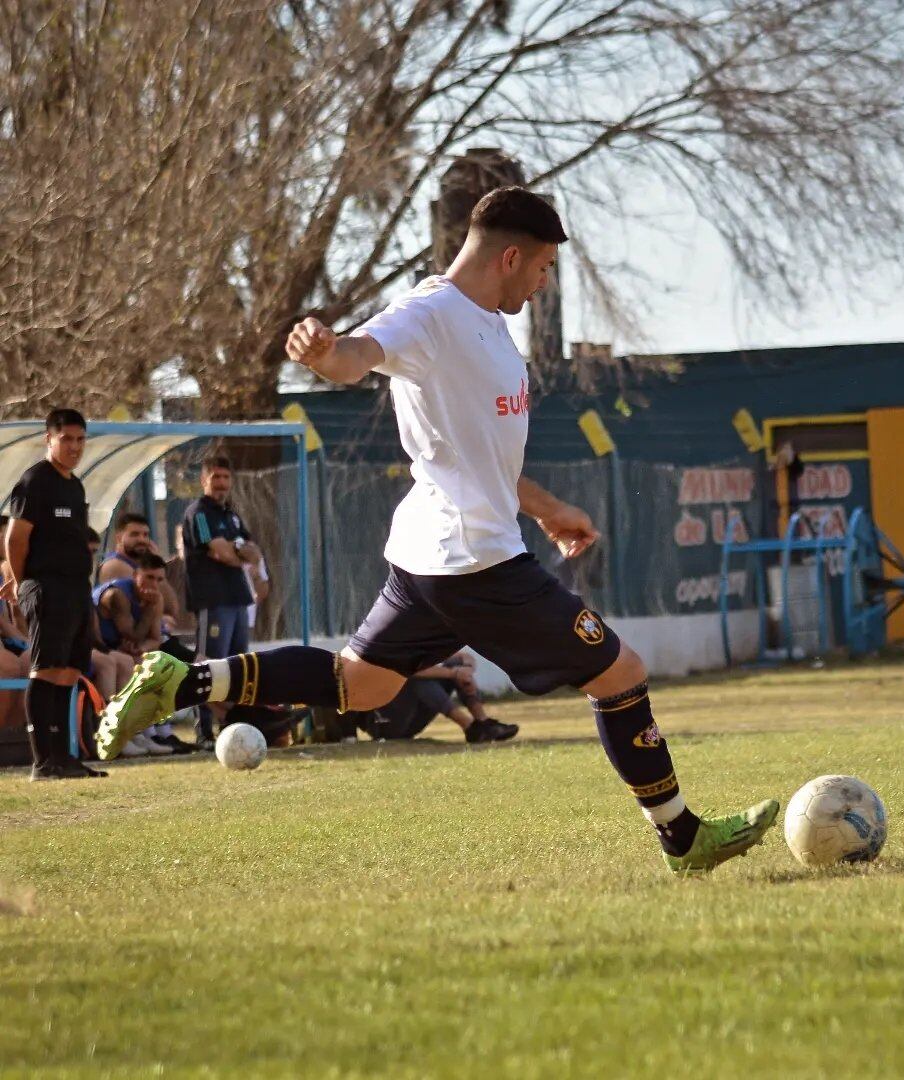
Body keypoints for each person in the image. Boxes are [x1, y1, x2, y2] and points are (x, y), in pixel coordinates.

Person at [97, 187, 777, 871]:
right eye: (541, 269)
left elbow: (478, 454)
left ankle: (181, 680)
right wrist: (322, 352)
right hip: (475, 561)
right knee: (621, 674)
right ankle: (683, 838)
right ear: (510, 257)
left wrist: (544, 508)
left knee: (361, 684)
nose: (543, 285)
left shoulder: (487, 321)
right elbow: (357, 355)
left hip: (433, 553)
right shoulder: (430, 313)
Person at [3, 409, 107, 779]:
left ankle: (65, 757)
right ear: (49, 439)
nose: (75, 447)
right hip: (47, 587)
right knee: (45, 670)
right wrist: (20, 581)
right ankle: (42, 760)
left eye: (80, 439)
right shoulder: (36, 481)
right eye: (66, 439)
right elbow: (16, 538)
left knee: (68, 672)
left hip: (77, 588)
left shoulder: (74, 485)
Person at [181, 456, 263, 749]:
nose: (221, 484)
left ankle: (235, 726)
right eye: (216, 477)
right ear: (204, 479)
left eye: (226, 478)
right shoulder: (199, 513)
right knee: (208, 664)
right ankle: (203, 731)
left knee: (238, 666)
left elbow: (253, 552)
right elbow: (220, 552)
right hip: (213, 599)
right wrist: (235, 551)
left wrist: (236, 550)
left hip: (238, 597)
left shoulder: (232, 515)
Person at [363, 650, 518, 743]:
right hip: (387, 723)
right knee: (415, 678)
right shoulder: (388, 640)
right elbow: (410, 670)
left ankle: (483, 724)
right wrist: (455, 673)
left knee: (455, 663)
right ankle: (470, 727)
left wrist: (466, 672)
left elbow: (464, 657)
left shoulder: (421, 639)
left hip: (412, 719)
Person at [98, 511, 180, 635]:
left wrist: (156, 561)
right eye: (134, 535)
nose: (141, 540)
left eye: (145, 535)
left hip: (151, 638)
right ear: (119, 538)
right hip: (124, 643)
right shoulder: (115, 565)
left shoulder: (142, 566)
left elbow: (171, 609)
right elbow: (138, 614)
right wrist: (159, 620)